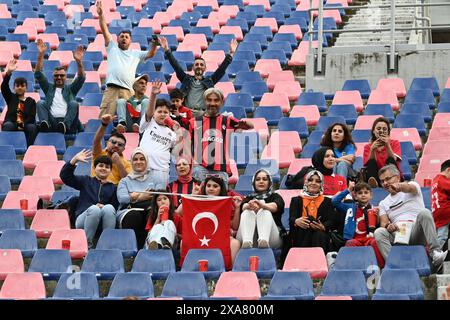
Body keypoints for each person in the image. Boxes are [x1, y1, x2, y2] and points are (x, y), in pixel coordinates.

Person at [374, 164, 447, 269]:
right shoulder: (383, 203)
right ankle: (394, 264)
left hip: (416, 231)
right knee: (379, 232)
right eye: (382, 181)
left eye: (388, 179)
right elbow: (384, 223)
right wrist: (388, 226)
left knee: (425, 213)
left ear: (398, 177)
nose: (385, 183)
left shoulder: (413, 185)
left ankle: (435, 253)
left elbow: (409, 188)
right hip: (398, 232)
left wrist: (399, 186)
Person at [96, 0, 158, 117]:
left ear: (130, 41)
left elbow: (150, 54)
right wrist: (100, 14)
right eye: (122, 36)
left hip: (127, 92)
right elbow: (104, 29)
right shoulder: (112, 47)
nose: (124, 38)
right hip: (111, 90)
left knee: (127, 122)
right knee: (104, 120)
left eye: (126, 37)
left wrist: (154, 44)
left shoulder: (136, 53)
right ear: (117, 39)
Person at [158, 36, 238, 117]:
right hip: (186, 113)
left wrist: (231, 53)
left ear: (205, 68)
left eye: (201, 64)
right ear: (193, 68)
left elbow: (221, 69)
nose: (199, 66)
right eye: (196, 64)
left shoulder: (210, 81)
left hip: (202, 114)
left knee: (199, 129)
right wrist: (167, 50)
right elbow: (176, 66)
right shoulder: (186, 79)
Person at [189, 88, 253, 184]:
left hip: (221, 169)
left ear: (222, 102)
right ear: (204, 101)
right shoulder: (194, 122)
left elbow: (250, 126)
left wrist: (245, 124)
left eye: (216, 100)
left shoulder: (227, 120)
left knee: (219, 198)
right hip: (200, 167)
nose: (212, 103)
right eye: (209, 100)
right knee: (201, 197)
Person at [60, 149, 119, 248]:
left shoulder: (113, 188)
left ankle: (106, 245)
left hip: (102, 222)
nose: (103, 168)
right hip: (83, 219)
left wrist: (103, 206)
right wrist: (74, 160)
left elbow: (114, 209)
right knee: (94, 209)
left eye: (107, 167)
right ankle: (87, 246)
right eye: (100, 165)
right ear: (94, 168)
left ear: (110, 171)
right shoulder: (86, 181)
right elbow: (65, 176)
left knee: (109, 208)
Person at [176, 175, 242, 263]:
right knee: (183, 242)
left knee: (235, 244)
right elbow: (177, 213)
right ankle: (188, 270)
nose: (211, 188)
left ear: (221, 188)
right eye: (208, 185)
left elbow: (234, 226)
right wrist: (192, 196)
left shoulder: (226, 203)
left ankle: (229, 273)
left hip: (220, 237)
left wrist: (237, 208)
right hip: (198, 237)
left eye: (215, 186)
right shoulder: (196, 200)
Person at [35, 39, 84, 134]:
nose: (59, 77)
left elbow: (81, 77)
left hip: (68, 124)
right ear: (53, 77)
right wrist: (41, 54)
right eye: (56, 75)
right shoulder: (48, 88)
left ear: (66, 77)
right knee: (40, 103)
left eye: (62, 75)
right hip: (52, 122)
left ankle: (65, 126)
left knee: (74, 103)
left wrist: (78, 62)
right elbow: (38, 73)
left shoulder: (71, 89)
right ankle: (44, 124)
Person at [138, 80, 180, 189]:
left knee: (159, 200)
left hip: (162, 171)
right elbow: (149, 112)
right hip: (143, 169)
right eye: (159, 111)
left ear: (170, 114)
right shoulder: (148, 123)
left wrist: (177, 129)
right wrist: (153, 95)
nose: (162, 114)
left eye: (166, 112)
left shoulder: (172, 133)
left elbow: (179, 149)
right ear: (154, 113)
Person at [333, 181, 384, 268]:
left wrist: (378, 217)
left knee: (375, 242)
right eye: (360, 193)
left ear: (371, 195)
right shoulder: (351, 207)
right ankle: (351, 268)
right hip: (356, 239)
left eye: (366, 192)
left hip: (369, 238)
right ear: (355, 196)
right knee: (350, 243)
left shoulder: (375, 209)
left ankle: (381, 268)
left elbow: (379, 225)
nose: (363, 195)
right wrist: (348, 190)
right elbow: (335, 201)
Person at [289, 170, 338, 253]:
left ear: (321, 185)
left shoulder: (327, 201)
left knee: (318, 233)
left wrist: (323, 226)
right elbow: (291, 218)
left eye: (318, 181)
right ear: (306, 182)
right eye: (310, 180)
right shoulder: (296, 200)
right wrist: (296, 221)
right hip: (300, 233)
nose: (314, 183)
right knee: (308, 221)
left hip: (320, 235)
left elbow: (331, 221)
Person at [116, 148, 156, 248]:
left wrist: (134, 195)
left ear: (146, 161)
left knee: (153, 213)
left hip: (148, 209)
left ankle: (148, 247)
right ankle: (131, 247)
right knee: (134, 215)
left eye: (142, 159)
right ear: (132, 162)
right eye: (135, 159)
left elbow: (158, 196)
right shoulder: (125, 181)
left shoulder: (155, 178)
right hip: (128, 210)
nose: (138, 162)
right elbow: (122, 199)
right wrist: (141, 197)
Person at [237, 169, 285, 249]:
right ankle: (247, 242)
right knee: (247, 211)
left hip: (271, 239)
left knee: (264, 211)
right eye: (258, 179)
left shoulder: (275, 196)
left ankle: (263, 240)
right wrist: (248, 206)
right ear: (253, 182)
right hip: (249, 238)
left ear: (269, 182)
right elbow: (242, 206)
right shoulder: (248, 198)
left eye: (265, 179)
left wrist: (262, 205)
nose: (261, 181)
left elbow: (275, 206)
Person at [1, 59, 37, 146]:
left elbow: (32, 117)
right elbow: (4, 87)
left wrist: (22, 124)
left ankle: (29, 149)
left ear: (26, 87)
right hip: (12, 123)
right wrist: (8, 73)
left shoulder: (31, 101)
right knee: (7, 126)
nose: (20, 87)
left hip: (26, 124)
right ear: (14, 88)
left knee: (32, 127)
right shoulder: (11, 97)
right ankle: (7, 147)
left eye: (22, 85)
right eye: (17, 86)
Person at [92, 114, 132, 185]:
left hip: (113, 191)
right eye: (113, 142)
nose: (116, 145)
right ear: (107, 143)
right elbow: (97, 141)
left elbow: (128, 183)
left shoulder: (127, 164)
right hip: (94, 188)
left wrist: (119, 163)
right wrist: (104, 124)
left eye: (120, 145)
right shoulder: (99, 154)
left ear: (123, 149)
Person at [363, 117, 402, 188]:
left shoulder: (395, 143)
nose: (381, 131)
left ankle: (391, 182)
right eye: (378, 129)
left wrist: (387, 145)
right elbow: (368, 164)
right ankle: (375, 184)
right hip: (376, 176)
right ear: (374, 131)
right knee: (371, 161)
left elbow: (394, 160)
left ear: (388, 132)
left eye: (384, 129)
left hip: (392, 175)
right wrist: (372, 150)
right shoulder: (368, 146)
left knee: (390, 159)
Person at [431, 159, 450, 249]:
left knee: (440, 233)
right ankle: (435, 253)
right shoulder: (443, 180)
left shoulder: (435, 180)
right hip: (445, 211)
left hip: (437, 212)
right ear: (448, 170)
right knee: (442, 236)